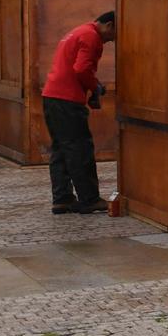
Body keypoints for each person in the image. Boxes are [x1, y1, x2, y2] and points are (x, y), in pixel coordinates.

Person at [40, 11, 115, 215]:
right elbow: (81, 69)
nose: (112, 41)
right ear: (109, 25)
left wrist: (93, 87)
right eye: (114, 35)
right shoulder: (92, 36)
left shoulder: (78, 31)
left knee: (61, 148)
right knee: (79, 148)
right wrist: (95, 87)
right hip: (67, 99)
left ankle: (62, 198)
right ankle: (89, 199)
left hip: (52, 96)